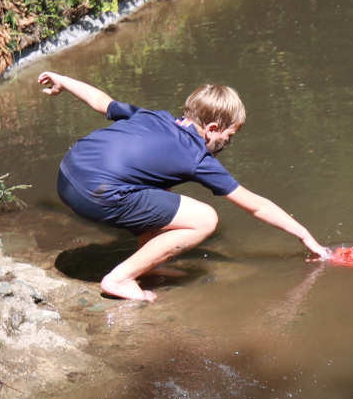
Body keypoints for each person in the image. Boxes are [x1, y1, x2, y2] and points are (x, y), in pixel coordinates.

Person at [38, 71, 327, 301]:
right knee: (204, 219)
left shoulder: (156, 117)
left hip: (67, 176)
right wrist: (306, 237)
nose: (229, 143)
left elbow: (103, 102)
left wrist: (63, 80)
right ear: (212, 129)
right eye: (230, 136)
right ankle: (120, 279)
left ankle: (149, 267)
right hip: (95, 195)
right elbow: (256, 205)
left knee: (160, 191)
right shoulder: (196, 155)